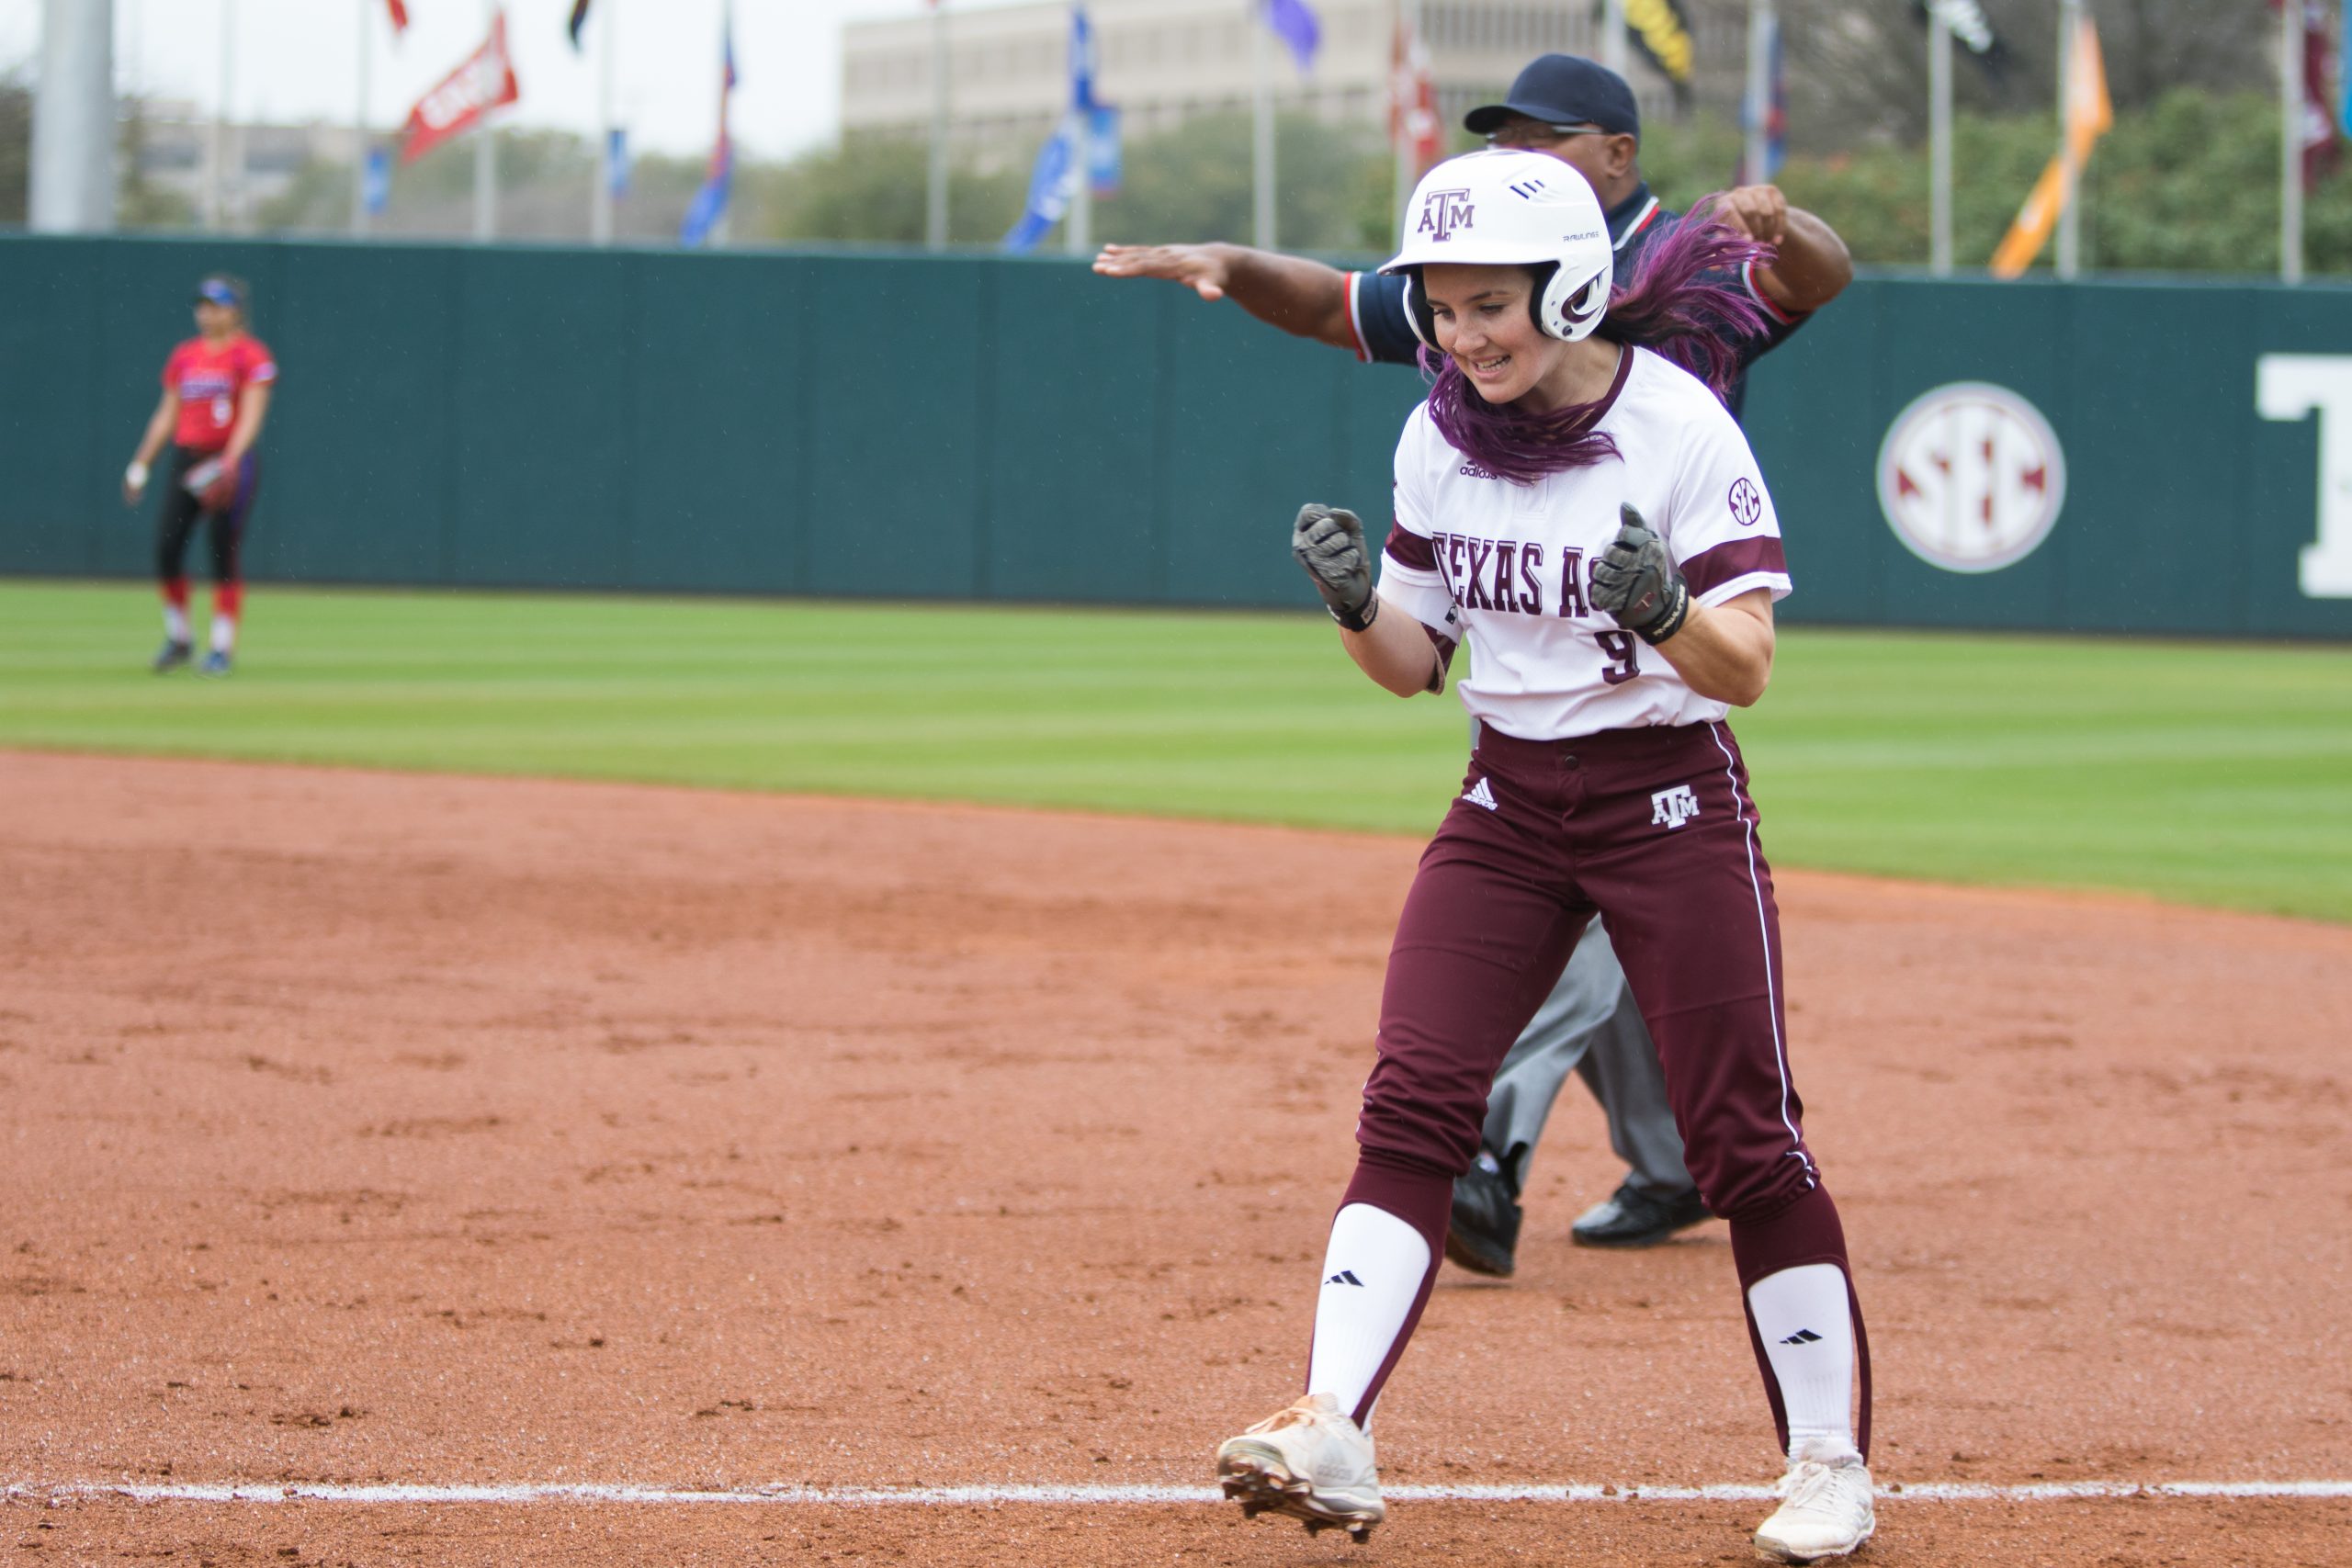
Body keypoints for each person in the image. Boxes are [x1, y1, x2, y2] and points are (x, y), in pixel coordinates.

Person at [1210, 150, 1874, 1565]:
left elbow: (1745, 666)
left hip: (1669, 798)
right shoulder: (1437, 435)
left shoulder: (1679, 422)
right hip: (1506, 806)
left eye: (1489, 304)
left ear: (1570, 288)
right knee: (1413, 1102)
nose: (1461, 335)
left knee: (1743, 1136)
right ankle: (1332, 1419)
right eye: (1442, 307)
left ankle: (1829, 1464)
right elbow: (1412, 663)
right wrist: (1348, 601)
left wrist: (1671, 608)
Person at [1096, 53, 1855, 1273]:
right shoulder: (1482, 277)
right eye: (1502, 133)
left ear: (1618, 153)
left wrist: (1784, 218)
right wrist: (1234, 268)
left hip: (1658, 625)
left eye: (1545, 134)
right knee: (1584, 925)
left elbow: (1816, 278)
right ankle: (1660, 1160)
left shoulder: (1668, 261)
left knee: (1606, 913)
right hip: (1528, 652)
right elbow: (1338, 305)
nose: (1516, 151)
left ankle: (1492, 1149)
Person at [123, 273, 277, 677]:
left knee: (222, 549)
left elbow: (252, 413)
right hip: (188, 459)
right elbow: (166, 414)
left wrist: (232, 459)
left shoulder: (251, 355)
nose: (206, 313)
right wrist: (141, 464)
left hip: (229, 461)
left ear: (235, 311)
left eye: (216, 305)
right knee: (167, 548)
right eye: (202, 305)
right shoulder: (186, 355)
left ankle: (221, 647)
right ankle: (179, 638)